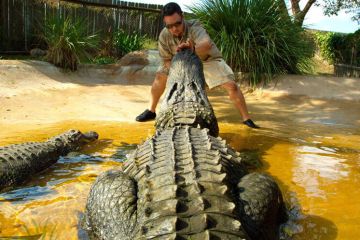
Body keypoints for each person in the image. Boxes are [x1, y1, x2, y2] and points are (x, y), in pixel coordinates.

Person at [135, 2, 259, 129]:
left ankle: (246, 118)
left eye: (177, 23)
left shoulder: (195, 26)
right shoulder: (164, 35)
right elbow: (166, 60)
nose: (174, 29)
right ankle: (151, 110)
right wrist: (179, 71)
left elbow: (206, 45)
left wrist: (192, 48)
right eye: (169, 26)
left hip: (206, 60)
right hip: (179, 63)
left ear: (182, 17)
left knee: (231, 86)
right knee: (160, 77)